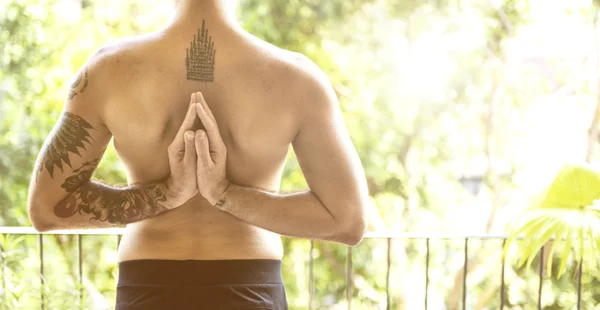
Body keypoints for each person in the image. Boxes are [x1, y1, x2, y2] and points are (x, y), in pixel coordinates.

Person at [27, 0, 369, 308]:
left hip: (148, 287)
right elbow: (347, 220)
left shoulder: (107, 70)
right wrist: (224, 194)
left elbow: (46, 208)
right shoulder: (297, 78)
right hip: (251, 287)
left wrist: (166, 195)